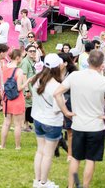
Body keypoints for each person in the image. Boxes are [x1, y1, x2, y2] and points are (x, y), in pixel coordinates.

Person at [54, 50, 105, 188]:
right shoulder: (103, 81)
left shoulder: (75, 76)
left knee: (75, 159)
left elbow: (57, 93)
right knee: (91, 159)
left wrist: (66, 111)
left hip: (78, 125)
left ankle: (71, 185)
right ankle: (84, 186)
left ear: (88, 61)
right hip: (96, 127)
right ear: (102, 65)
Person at [30, 53, 64, 188]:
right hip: (51, 121)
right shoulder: (56, 85)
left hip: (37, 118)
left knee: (40, 151)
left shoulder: (37, 79)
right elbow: (57, 108)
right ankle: (44, 182)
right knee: (48, 154)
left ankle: (37, 181)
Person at [0, 49, 27, 150]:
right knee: (17, 125)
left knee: (6, 123)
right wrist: (27, 82)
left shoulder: (4, 67)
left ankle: (2, 145)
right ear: (17, 58)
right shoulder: (19, 71)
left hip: (6, 98)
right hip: (17, 99)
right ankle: (17, 146)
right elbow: (19, 88)